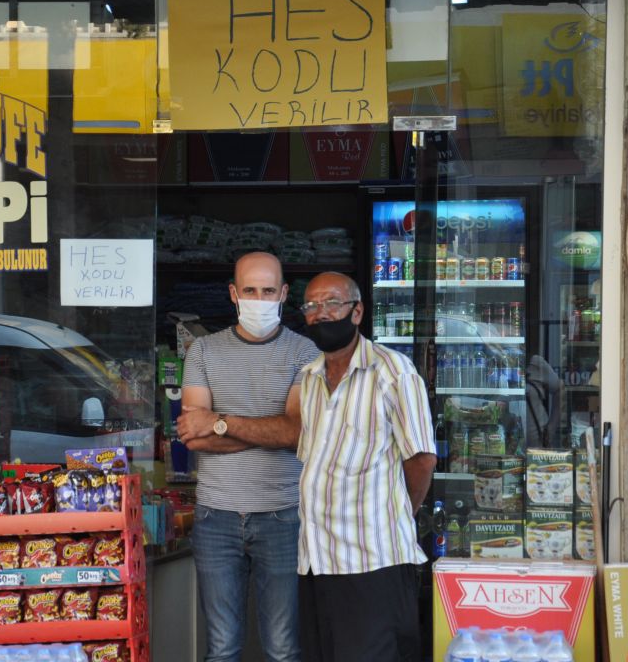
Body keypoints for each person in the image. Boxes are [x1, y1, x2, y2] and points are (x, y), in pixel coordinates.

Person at [175, 251, 319, 662]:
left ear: (285, 294)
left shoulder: (305, 353)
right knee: (221, 649)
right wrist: (268, 429)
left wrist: (218, 422)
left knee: (283, 649)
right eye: (251, 290)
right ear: (233, 294)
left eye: (269, 290)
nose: (260, 298)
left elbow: (296, 433)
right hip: (214, 517)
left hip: (283, 516)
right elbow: (192, 436)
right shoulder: (202, 351)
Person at [295, 272, 437, 662]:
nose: (321, 313)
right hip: (318, 561)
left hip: (373, 562)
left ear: (357, 311)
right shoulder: (309, 378)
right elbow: (314, 461)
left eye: (332, 303)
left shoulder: (394, 372)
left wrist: (394, 515)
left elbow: (421, 459)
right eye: (311, 306)